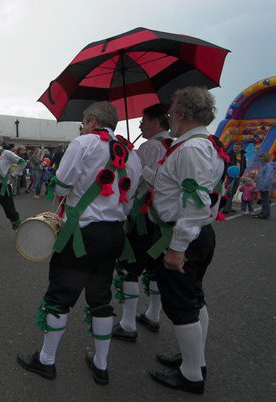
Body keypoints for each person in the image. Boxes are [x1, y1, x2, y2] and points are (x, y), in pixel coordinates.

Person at [16, 101, 141, 386]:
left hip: (82, 234)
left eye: (84, 122)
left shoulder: (83, 143)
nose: (83, 127)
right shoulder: (131, 155)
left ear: (93, 121)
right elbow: (130, 198)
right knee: (100, 298)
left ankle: (46, 361)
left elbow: (61, 185)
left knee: (60, 297)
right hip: (114, 235)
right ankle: (101, 365)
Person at [148, 87, 227, 394]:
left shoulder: (190, 149)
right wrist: (151, 174)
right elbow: (182, 186)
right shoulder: (204, 144)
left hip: (183, 235)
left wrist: (177, 248)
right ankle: (193, 360)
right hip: (197, 233)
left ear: (181, 114)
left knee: (182, 305)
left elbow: (195, 202)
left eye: (171, 112)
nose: (170, 117)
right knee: (194, 298)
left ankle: (192, 374)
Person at [112, 103, 171, 343]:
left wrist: (132, 158)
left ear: (156, 122)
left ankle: (127, 324)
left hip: (144, 217)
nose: (139, 125)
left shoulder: (149, 148)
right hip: (165, 221)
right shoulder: (174, 144)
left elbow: (132, 181)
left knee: (129, 267)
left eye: (143, 121)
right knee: (155, 268)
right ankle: (153, 315)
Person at [222, 142, 246, 213]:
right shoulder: (229, 154)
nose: (235, 149)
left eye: (237, 148)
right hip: (230, 177)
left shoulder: (242, 156)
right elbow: (225, 164)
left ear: (241, 148)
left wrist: (241, 173)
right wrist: (228, 172)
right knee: (228, 192)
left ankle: (229, 207)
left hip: (238, 177)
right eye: (235, 147)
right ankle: (225, 208)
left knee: (233, 192)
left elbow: (244, 166)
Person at [253, 152, 276, 219]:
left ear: (266, 158)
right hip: (262, 186)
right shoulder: (264, 166)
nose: (260, 159)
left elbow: (268, 177)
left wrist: (264, 186)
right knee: (264, 200)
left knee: (265, 200)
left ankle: (265, 214)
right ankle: (264, 212)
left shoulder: (268, 166)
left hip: (264, 186)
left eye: (262, 157)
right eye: (260, 157)